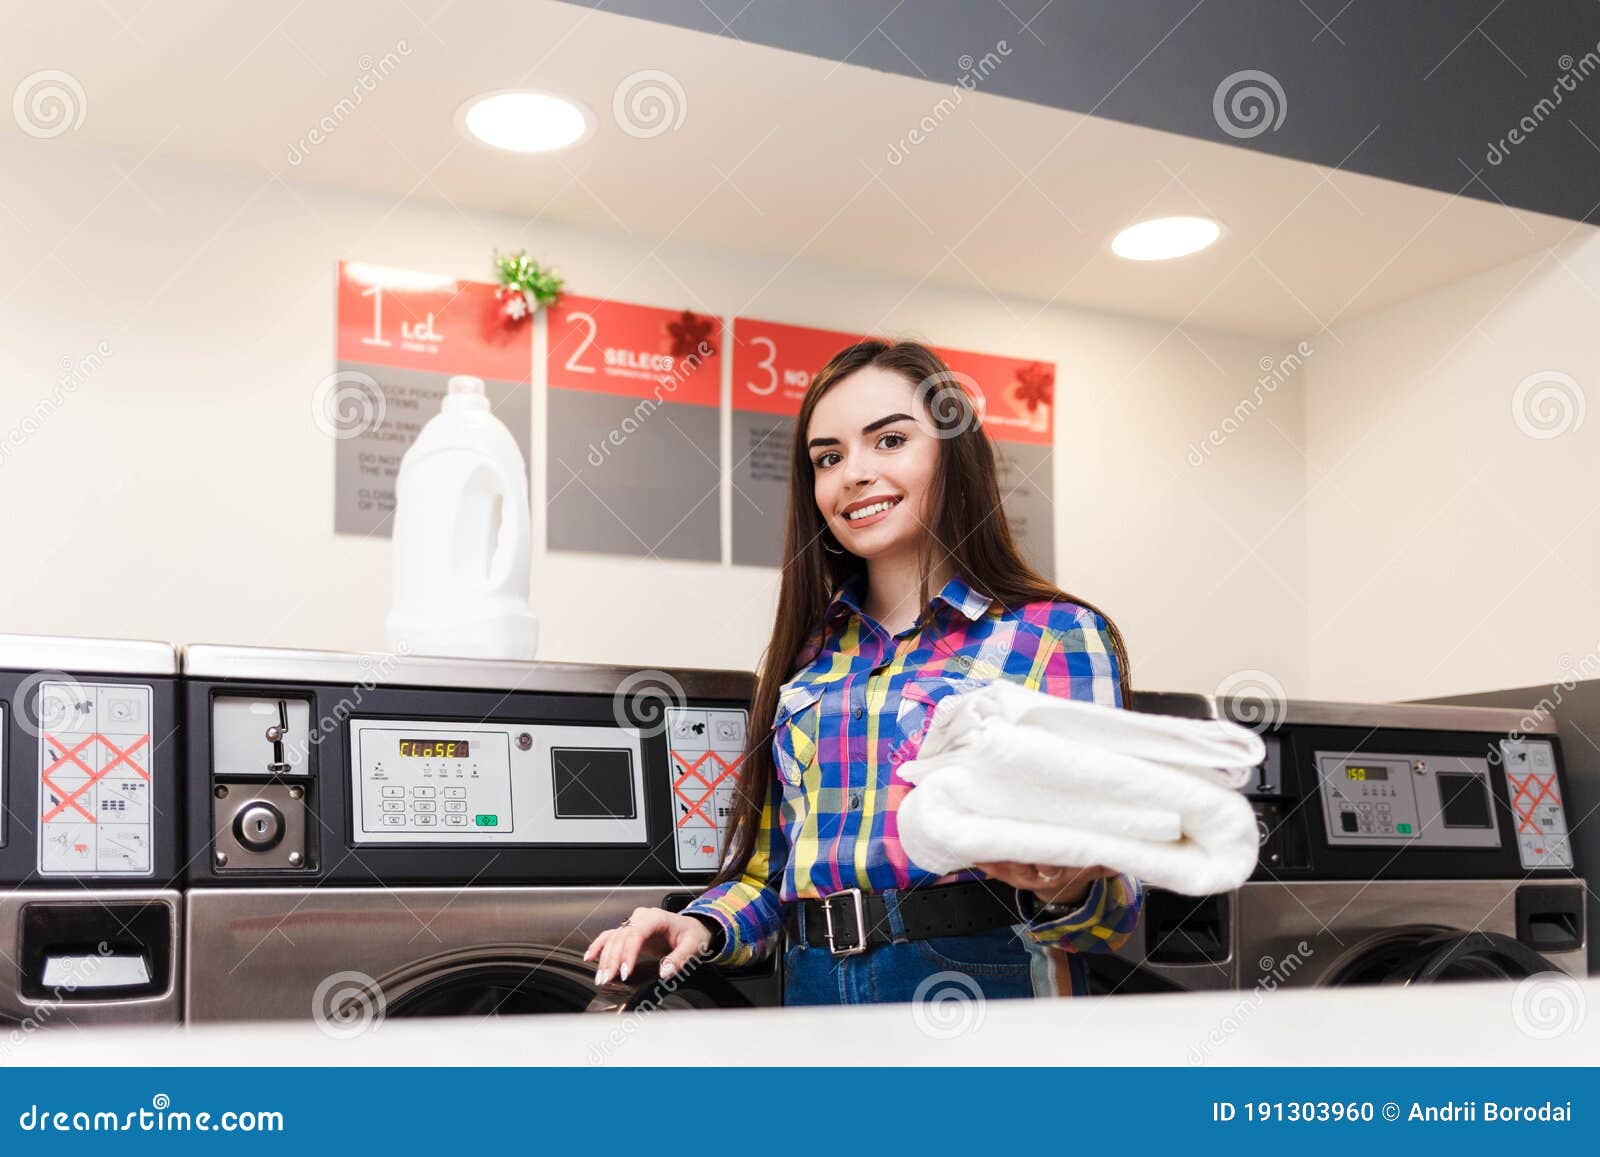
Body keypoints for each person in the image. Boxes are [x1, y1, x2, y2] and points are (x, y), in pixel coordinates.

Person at [583, 339, 1142, 1005]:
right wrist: (698, 924)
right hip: (815, 984)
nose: (853, 473)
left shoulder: (1055, 634)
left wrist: (1065, 879)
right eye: (829, 457)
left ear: (953, 453)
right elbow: (772, 878)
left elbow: (1117, 903)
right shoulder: (808, 655)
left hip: (983, 982)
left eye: (889, 440)